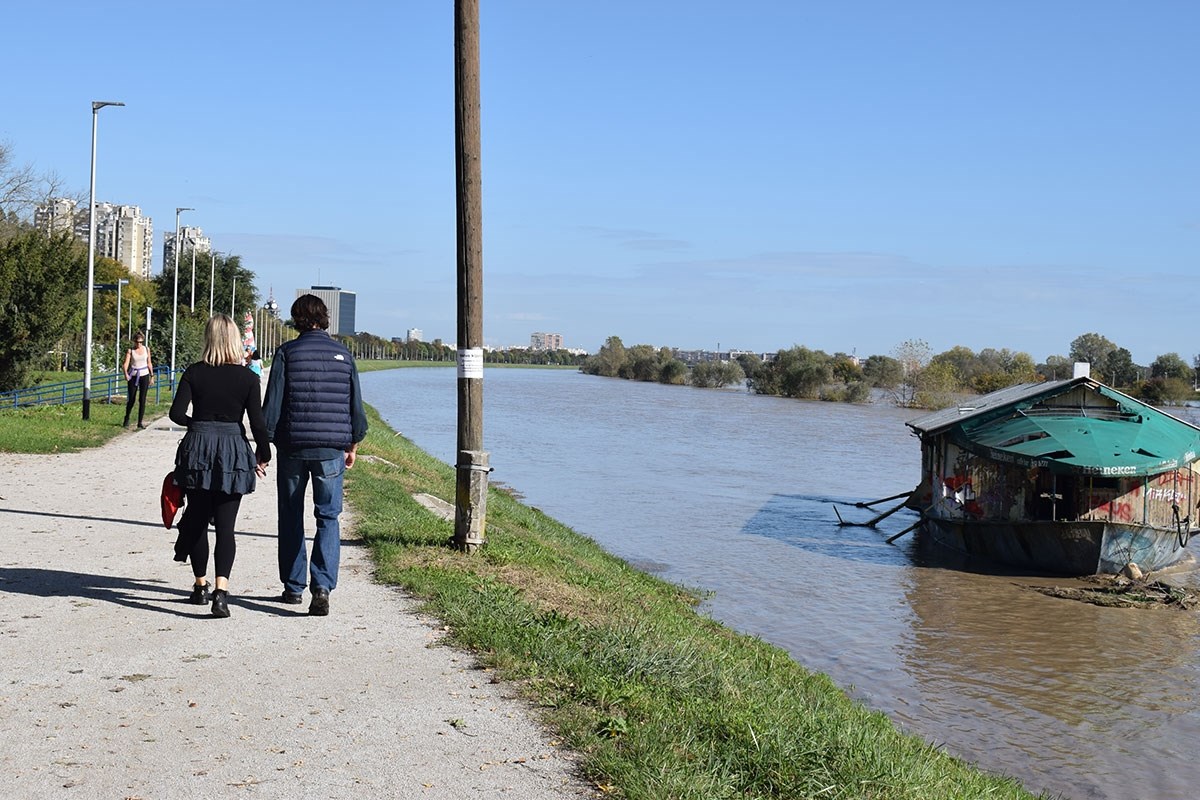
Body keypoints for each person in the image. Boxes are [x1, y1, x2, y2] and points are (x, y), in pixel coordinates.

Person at [263, 294, 367, 616]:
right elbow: (356, 409)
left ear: (297, 320)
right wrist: (353, 444)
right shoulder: (344, 355)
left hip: (293, 447)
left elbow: (273, 406)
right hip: (330, 451)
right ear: (324, 319)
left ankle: (294, 587)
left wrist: (264, 444)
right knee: (328, 516)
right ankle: (321, 586)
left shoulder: (286, 353)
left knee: (291, 515)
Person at [169, 315, 271, 618]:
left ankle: (199, 586)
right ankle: (221, 592)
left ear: (209, 339)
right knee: (226, 527)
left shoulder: (194, 373)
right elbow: (257, 423)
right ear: (237, 341)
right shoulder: (248, 378)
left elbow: (176, 414)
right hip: (232, 449)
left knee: (198, 519)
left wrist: (197, 425)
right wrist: (263, 454)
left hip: (198, 447)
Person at [122, 331, 154, 429]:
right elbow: (125, 364)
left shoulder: (146, 349)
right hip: (134, 375)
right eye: (137, 342)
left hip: (144, 374)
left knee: (142, 399)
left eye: (141, 342)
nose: (139, 344)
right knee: (131, 399)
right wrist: (126, 374)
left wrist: (152, 376)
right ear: (134, 341)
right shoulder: (130, 351)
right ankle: (126, 418)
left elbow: (149, 363)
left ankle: (140, 422)